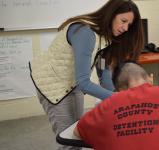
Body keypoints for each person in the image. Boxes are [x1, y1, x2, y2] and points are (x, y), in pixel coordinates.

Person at [29, 0, 144, 149]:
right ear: (111, 15)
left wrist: (113, 95)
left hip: (72, 84)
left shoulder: (105, 36)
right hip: (52, 85)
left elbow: (104, 71)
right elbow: (84, 82)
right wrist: (118, 98)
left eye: (129, 25)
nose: (125, 28)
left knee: (77, 135)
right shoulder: (85, 32)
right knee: (68, 141)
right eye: (123, 21)